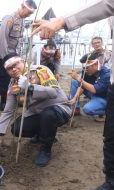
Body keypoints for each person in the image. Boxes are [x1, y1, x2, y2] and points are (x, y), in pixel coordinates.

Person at [31, 0, 114, 189]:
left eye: (90, 67)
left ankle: (95, 112)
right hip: (105, 90)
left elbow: (92, 89)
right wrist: (74, 99)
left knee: (90, 106)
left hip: (101, 94)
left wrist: (60, 22)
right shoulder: (89, 60)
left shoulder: (105, 69)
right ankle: (111, 180)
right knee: (110, 138)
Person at [0, 53, 71, 167]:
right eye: (9, 68)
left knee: (48, 115)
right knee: (17, 128)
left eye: (16, 65)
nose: (14, 69)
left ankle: (46, 150)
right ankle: (42, 134)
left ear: (22, 61)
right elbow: (8, 110)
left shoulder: (40, 70)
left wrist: (29, 87)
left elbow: (53, 92)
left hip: (58, 109)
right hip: (37, 113)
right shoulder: (13, 84)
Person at [0, 0, 37, 111]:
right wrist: (6, 60)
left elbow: (17, 41)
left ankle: (13, 100)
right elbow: (3, 40)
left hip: (13, 55)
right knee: (3, 80)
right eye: (28, 13)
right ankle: (3, 103)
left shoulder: (21, 20)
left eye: (30, 14)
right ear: (22, 6)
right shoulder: (9, 19)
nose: (28, 15)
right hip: (2, 57)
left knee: (14, 79)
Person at [70, 54, 110, 122]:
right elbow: (81, 87)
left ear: (95, 65)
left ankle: (106, 112)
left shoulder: (106, 74)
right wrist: (74, 99)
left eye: (87, 68)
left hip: (103, 97)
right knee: (75, 82)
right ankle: (76, 109)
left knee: (87, 109)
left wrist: (78, 78)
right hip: (92, 94)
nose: (85, 70)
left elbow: (94, 90)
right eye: (84, 68)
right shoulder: (86, 71)